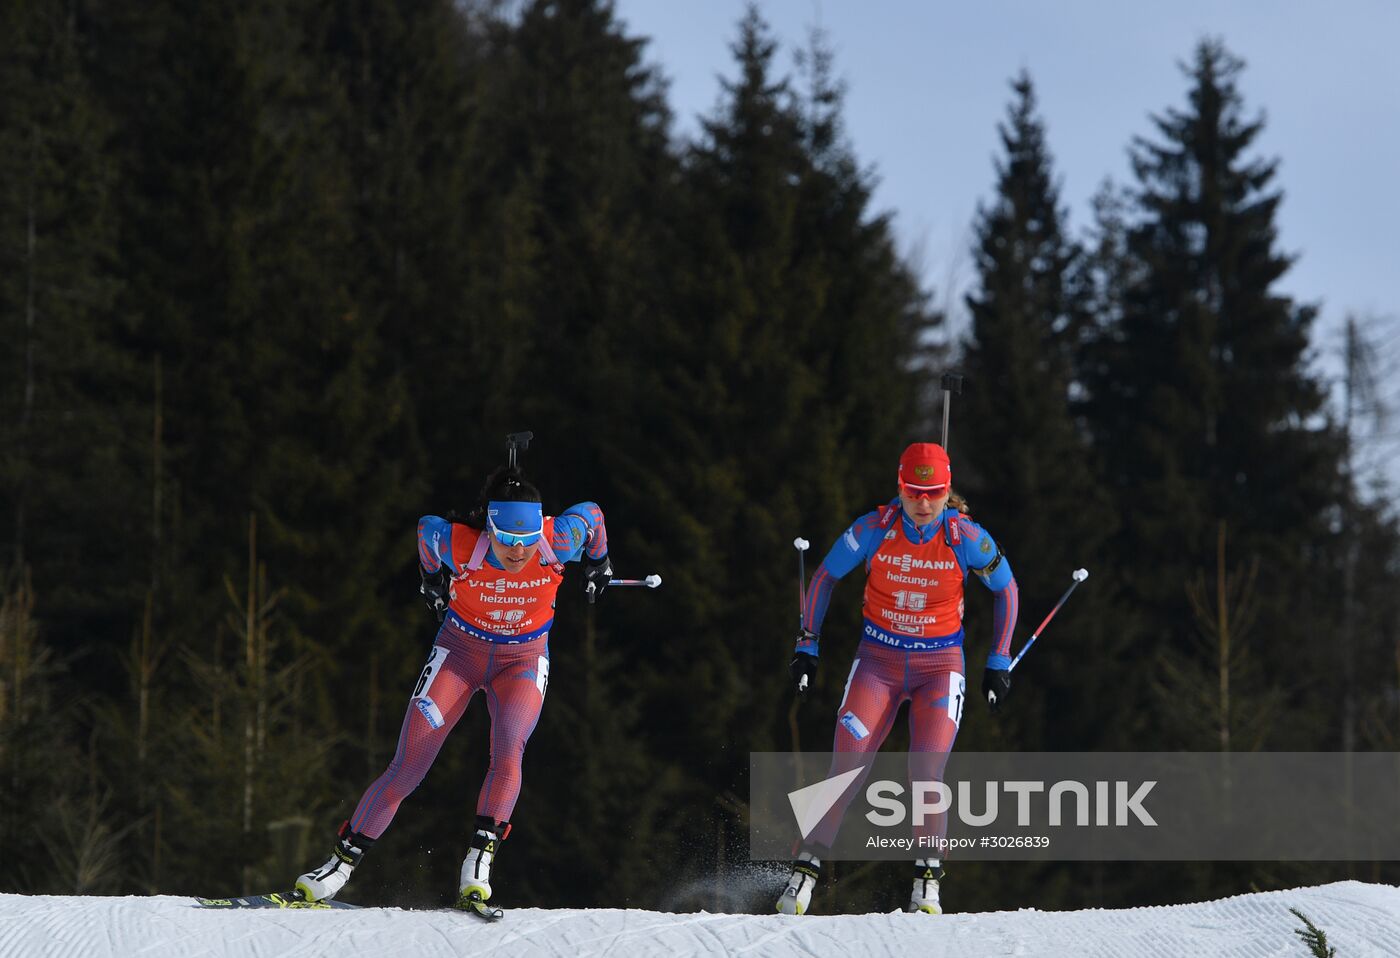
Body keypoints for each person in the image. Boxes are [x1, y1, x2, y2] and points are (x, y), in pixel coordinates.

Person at [294, 463, 613, 908]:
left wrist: (598, 562)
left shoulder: (558, 538)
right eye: (506, 541)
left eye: (525, 542)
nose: (517, 552)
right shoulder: (461, 543)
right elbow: (426, 531)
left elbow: (593, 515)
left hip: (521, 662)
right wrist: (431, 579)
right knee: (408, 766)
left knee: (509, 748)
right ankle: (338, 866)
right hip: (459, 657)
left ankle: (478, 864)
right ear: (491, 527)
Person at [776, 442, 1018, 916]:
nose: (923, 503)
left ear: (947, 491)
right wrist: (808, 645)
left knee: (926, 772)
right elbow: (824, 577)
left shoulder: (965, 535)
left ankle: (927, 883)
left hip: (940, 668)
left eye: (933, 493)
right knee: (845, 766)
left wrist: (999, 660)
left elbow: (1006, 589)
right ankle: (804, 872)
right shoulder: (873, 529)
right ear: (899, 486)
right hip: (878, 664)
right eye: (913, 492)